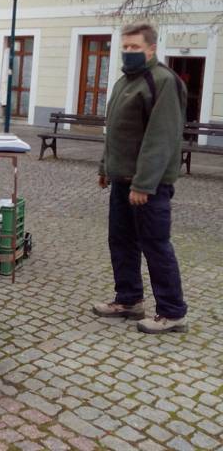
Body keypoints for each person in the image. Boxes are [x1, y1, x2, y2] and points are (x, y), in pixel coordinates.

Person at [95, 23, 188, 335]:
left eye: (135, 47)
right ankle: (129, 300)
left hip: (148, 185)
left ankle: (173, 312)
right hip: (122, 180)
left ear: (151, 49)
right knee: (120, 241)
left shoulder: (163, 81)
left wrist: (143, 184)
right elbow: (116, 131)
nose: (129, 52)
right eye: (126, 46)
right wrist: (105, 168)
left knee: (155, 245)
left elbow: (160, 138)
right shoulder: (126, 81)